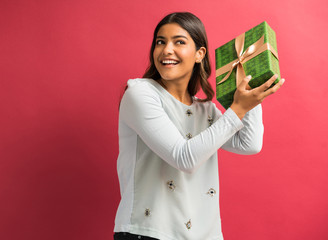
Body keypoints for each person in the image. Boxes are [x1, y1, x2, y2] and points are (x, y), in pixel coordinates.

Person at [113, 12, 284, 240]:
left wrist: (250, 86)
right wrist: (238, 109)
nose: (166, 50)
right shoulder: (140, 94)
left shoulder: (205, 109)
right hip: (149, 231)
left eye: (179, 42)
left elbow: (249, 144)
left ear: (199, 54)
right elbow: (184, 157)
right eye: (160, 42)